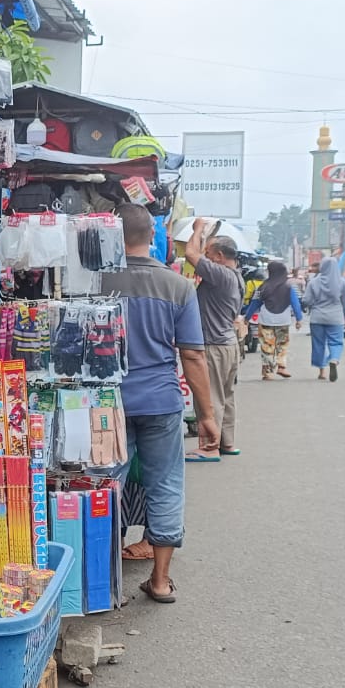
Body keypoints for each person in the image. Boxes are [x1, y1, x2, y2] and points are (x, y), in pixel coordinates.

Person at [103, 204, 218, 604]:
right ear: (153, 237)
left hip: (107, 405)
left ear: (113, 238)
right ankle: (160, 581)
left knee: (105, 487)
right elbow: (194, 356)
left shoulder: (97, 283)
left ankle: (101, 582)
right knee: (165, 484)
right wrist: (206, 416)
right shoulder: (179, 287)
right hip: (162, 402)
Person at [183, 218, 245, 459]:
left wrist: (198, 229)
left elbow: (190, 254)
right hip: (228, 344)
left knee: (209, 397)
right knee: (226, 396)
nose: (205, 257)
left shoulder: (220, 274)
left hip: (214, 345)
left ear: (219, 256)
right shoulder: (236, 277)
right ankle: (226, 442)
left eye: (208, 254)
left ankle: (209, 446)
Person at [247, 260, 303, 379]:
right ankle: (282, 366)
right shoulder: (288, 287)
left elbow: (254, 303)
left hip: (266, 320)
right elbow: (295, 303)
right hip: (283, 320)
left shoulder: (263, 286)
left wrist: (247, 318)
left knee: (267, 344)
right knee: (282, 343)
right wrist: (299, 319)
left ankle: (268, 371)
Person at [303, 256, 345, 380]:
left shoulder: (313, 282)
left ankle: (322, 372)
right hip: (336, 317)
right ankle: (334, 359)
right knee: (336, 342)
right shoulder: (343, 283)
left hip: (317, 318)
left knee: (319, 344)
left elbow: (307, 300)